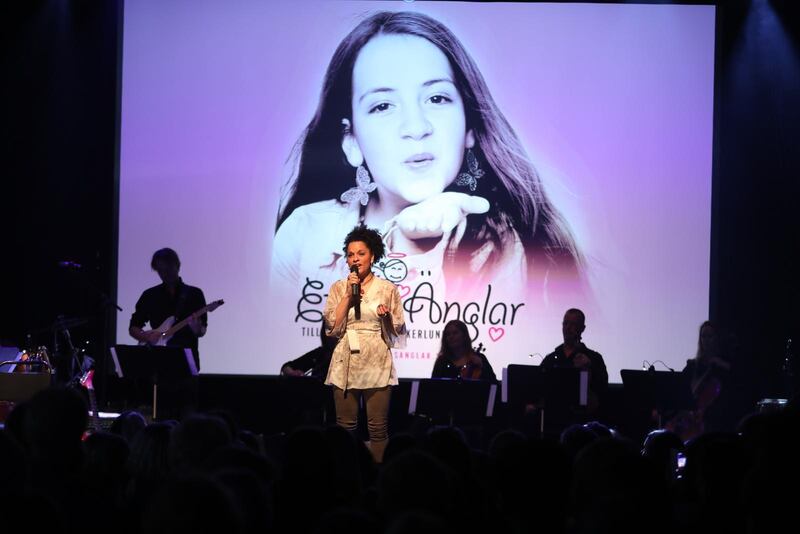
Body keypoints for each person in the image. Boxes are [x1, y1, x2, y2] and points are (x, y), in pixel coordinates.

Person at [272, 11, 585, 304]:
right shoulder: (304, 233)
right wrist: (398, 235)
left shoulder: (503, 245)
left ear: (469, 128)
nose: (416, 127)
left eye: (437, 98)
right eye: (382, 106)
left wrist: (420, 247)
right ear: (351, 141)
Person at [323, 225, 406, 463]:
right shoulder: (339, 288)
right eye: (350, 254)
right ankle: (345, 476)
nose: (355, 259)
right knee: (345, 427)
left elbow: (398, 330)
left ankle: (378, 477)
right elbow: (332, 328)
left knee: (377, 427)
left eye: (360, 253)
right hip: (345, 357)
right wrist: (349, 295)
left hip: (376, 357)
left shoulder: (387, 289)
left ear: (372, 256)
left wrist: (386, 317)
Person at [129, 248, 207, 417]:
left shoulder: (194, 294)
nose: (164, 274)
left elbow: (202, 330)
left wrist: (197, 330)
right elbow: (133, 327)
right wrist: (146, 336)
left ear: (177, 266)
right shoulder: (150, 295)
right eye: (160, 270)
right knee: (159, 416)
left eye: (168, 269)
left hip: (187, 366)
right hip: (158, 366)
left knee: (188, 417)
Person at [540, 308, 608, 414]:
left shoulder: (594, 359)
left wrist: (587, 371)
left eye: (573, 324)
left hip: (582, 419)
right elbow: (539, 391)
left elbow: (600, 397)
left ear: (582, 328)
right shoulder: (551, 359)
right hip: (552, 418)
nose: (568, 328)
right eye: (565, 323)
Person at [431, 319, 496, 381]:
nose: (451, 336)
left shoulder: (480, 358)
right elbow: (433, 386)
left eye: (455, 333)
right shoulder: (442, 361)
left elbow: (493, 384)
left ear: (464, 336)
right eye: (448, 334)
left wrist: (482, 367)